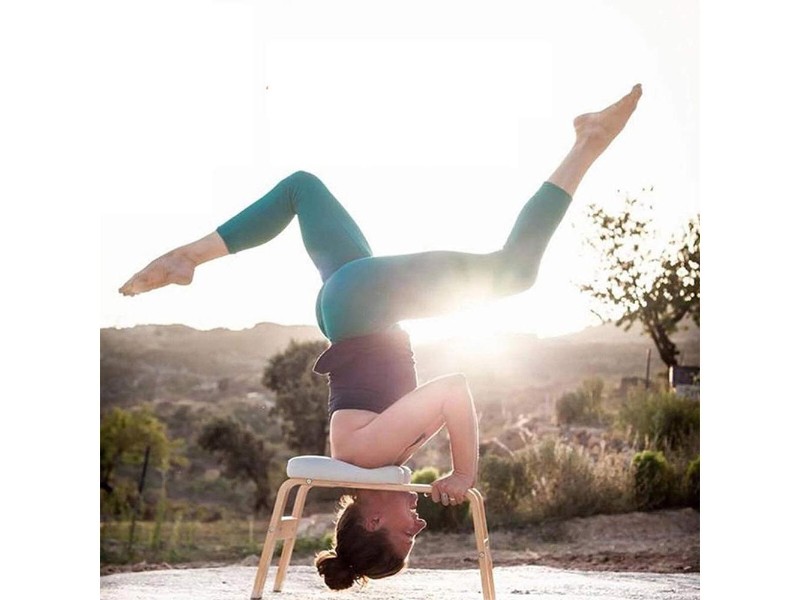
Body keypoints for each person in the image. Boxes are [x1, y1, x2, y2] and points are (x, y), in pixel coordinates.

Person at [119, 84, 643, 590]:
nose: (420, 528)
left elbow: (454, 389)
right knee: (302, 187)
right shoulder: (371, 460)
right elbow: (435, 404)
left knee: (514, 272)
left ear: (370, 524)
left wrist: (464, 473)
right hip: (351, 305)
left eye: (406, 538)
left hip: (361, 307)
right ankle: (189, 257)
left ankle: (588, 140)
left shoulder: (368, 460)